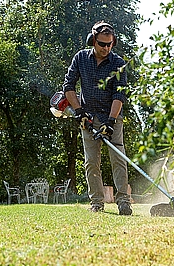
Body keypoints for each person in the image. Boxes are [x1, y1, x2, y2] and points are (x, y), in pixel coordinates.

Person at [63, 21, 132, 215]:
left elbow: (119, 95)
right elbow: (68, 86)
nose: (106, 48)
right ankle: (97, 202)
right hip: (88, 117)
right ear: (93, 41)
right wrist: (79, 111)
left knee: (118, 158)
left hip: (113, 116)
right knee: (91, 161)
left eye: (110, 44)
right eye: (102, 44)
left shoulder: (118, 63)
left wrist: (110, 122)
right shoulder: (81, 59)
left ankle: (123, 201)